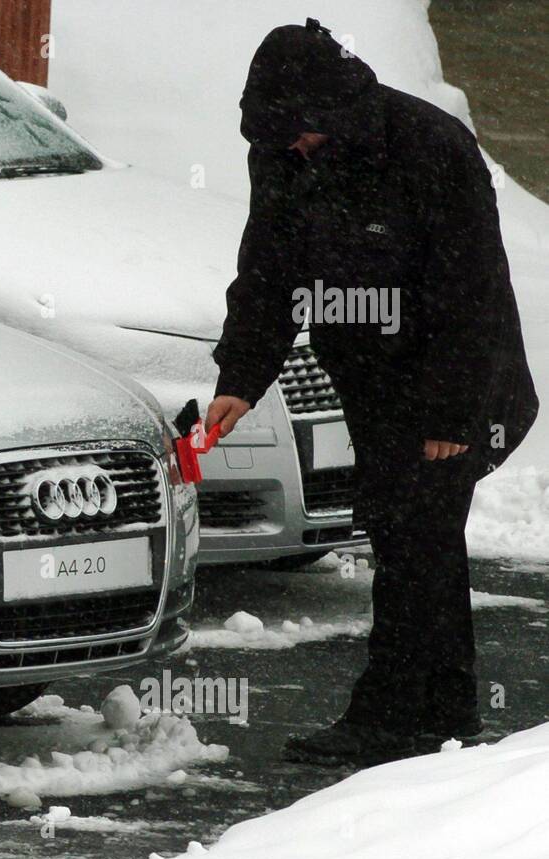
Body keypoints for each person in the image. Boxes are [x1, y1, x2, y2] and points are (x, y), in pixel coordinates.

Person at [207, 19, 538, 766]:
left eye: (298, 132)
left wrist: (453, 414)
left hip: (457, 383)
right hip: (374, 384)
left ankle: (388, 717)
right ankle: (444, 709)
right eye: (276, 135)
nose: (289, 147)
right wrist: (241, 379)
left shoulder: (429, 148)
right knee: (415, 540)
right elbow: (268, 275)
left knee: (412, 539)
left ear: (330, 110)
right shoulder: (285, 155)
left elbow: (470, 291)